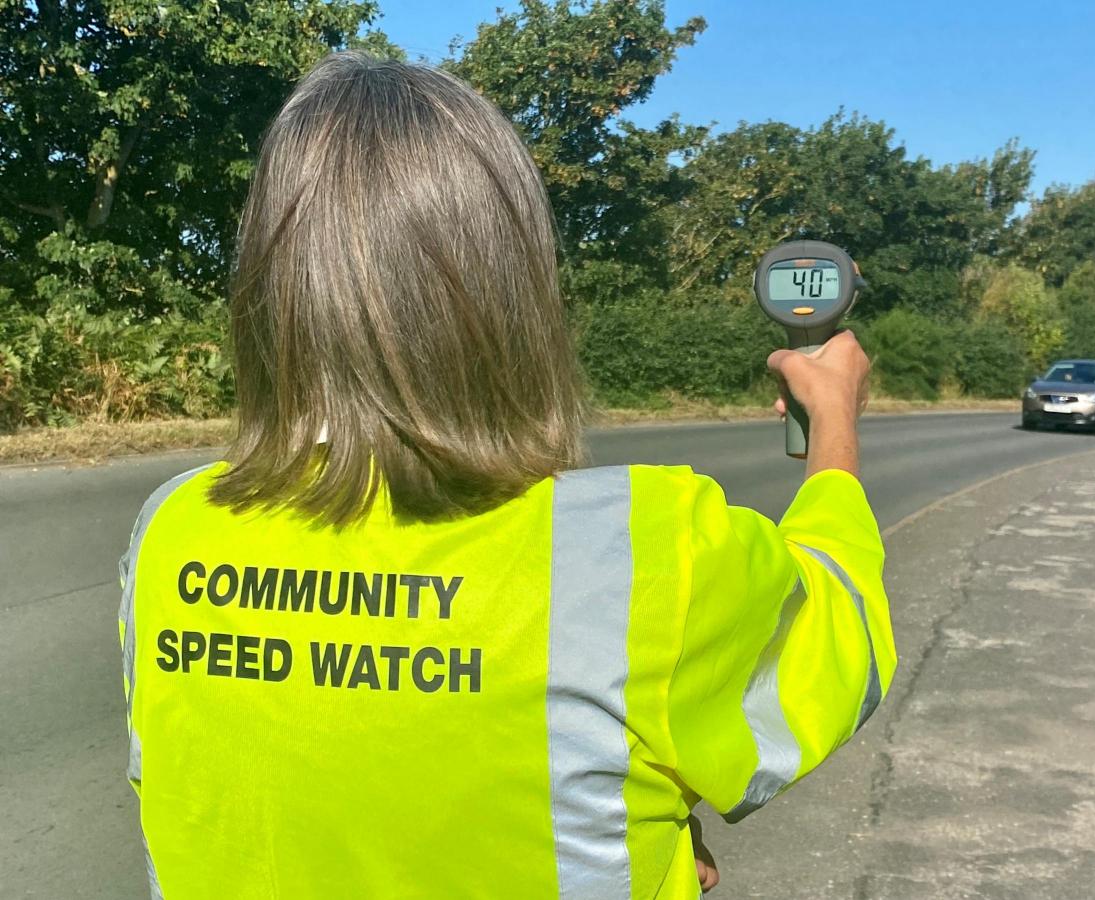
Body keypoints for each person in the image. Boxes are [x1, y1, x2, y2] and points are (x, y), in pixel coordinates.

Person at [118, 52, 896, 900]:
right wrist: (834, 428)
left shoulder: (171, 530)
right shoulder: (642, 550)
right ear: (513, 282)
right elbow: (839, 641)